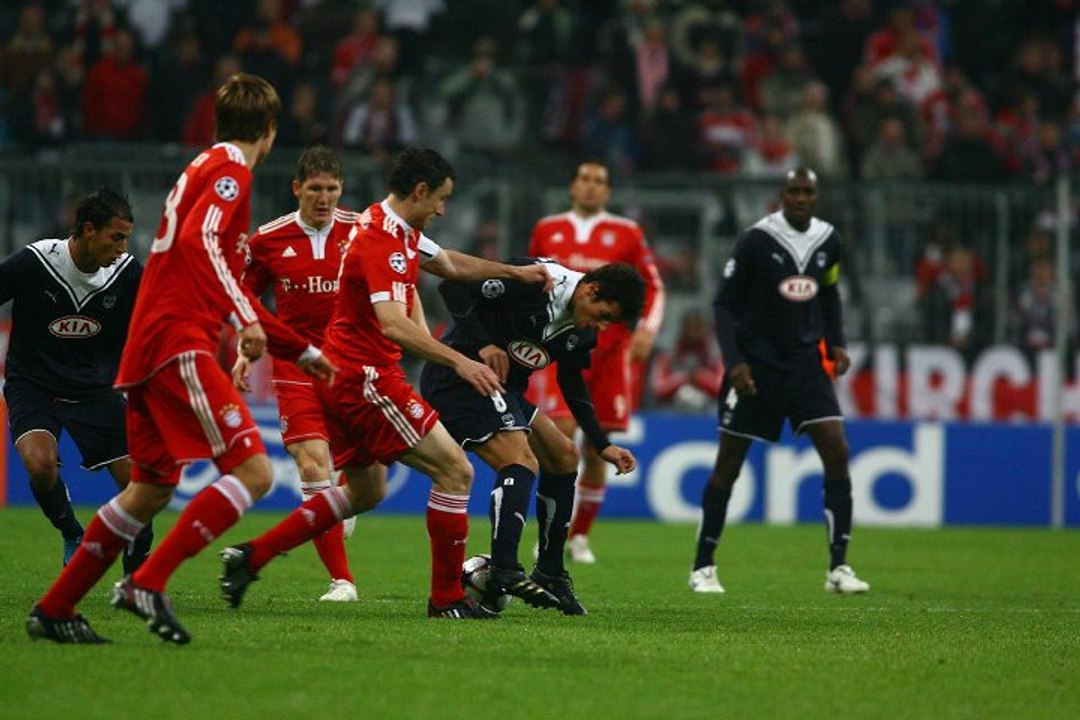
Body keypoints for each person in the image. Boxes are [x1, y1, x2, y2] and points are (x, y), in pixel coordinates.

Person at [26, 73, 336, 645]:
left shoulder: (201, 166)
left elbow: (210, 260)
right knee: (254, 472)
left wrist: (303, 349)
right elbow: (202, 248)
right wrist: (245, 320)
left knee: (150, 490)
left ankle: (55, 607)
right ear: (269, 132)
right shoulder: (229, 172)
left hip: (151, 345)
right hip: (178, 342)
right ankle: (149, 582)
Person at [217, 147, 555, 620]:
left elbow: (451, 265)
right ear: (419, 192)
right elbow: (394, 324)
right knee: (456, 472)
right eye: (440, 199)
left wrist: (514, 272)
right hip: (365, 377)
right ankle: (447, 599)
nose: (442, 209)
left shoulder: (391, 226)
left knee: (366, 491)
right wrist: (460, 361)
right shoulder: (379, 240)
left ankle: (252, 557)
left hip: (343, 373)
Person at [421, 261, 645, 615]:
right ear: (591, 290)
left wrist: (602, 445)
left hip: (501, 390)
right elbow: (452, 286)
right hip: (459, 378)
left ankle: (550, 572)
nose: (600, 327)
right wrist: (483, 345)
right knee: (520, 460)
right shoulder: (535, 281)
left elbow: (573, 383)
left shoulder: (581, 330)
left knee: (564, 455)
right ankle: (504, 568)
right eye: (603, 315)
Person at [689, 167, 870, 595]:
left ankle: (838, 568)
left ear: (817, 197)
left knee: (837, 451)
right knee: (729, 464)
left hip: (806, 366)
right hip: (756, 367)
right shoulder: (757, 239)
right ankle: (703, 566)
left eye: (808, 191)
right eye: (794, 191)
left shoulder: (829, 240)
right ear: (782, 196)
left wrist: (837, 342)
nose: (801, 197)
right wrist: (734, 363)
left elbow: (828, 293)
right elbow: (724, 305)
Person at [233, 145, 381, 603]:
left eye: (332, 189)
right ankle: (343, 581)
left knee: (368, 473)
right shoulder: (268, 240)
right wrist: (246, 348)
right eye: (314, 188)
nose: (324, 197)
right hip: (295, 364)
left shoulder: (362, 232)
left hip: (352, 364)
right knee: (311, 463)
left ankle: (342, 496)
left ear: (342, 190)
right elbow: (244, 296)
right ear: (297, 188)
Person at [0, 187, 152, 573]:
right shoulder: (35, 262)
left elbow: (158, 324)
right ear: (88, 230)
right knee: (40, 464)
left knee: (140, 485)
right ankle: (70, 530)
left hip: (95, 389)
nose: (122, 247)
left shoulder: (128, 274)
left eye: (126, 238)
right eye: (115, 237)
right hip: (32, 383)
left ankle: (137, 569)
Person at [526, 160, 665, 564]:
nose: (590, 187)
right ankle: (553, 530)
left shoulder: (627, 232)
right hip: (560, 346)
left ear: (607, 192)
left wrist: (647, 330)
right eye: (584, 179)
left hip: (610, 354)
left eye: (599, 182)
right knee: (563, 431)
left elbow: (653, 285)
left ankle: (580, 536)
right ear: (572, 186)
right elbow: (531, 278)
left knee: (598, 442)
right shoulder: (547, 228)